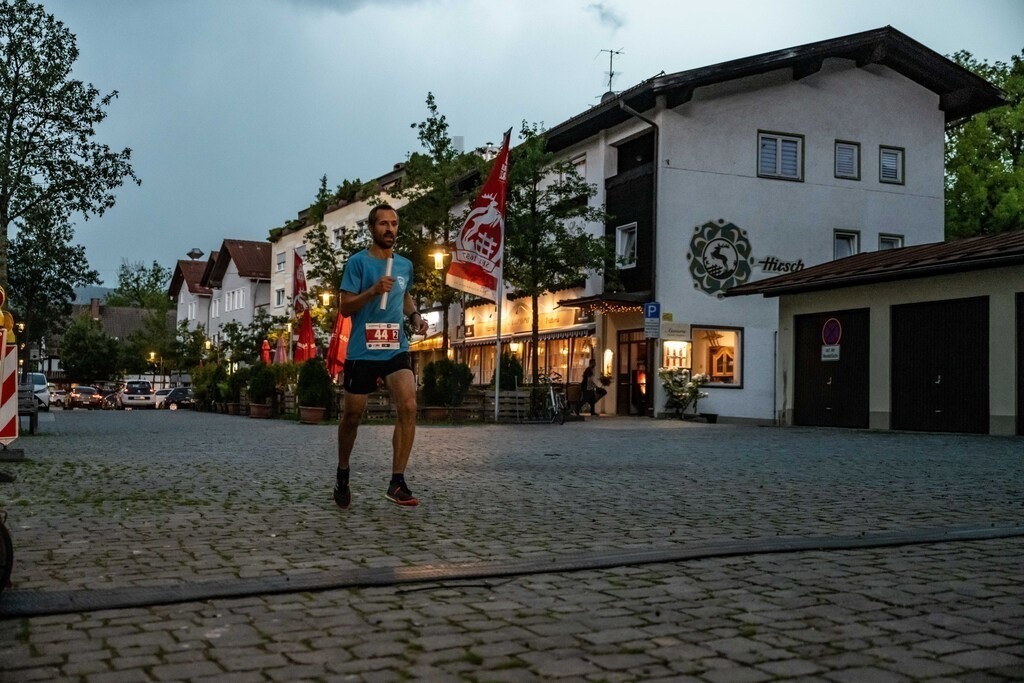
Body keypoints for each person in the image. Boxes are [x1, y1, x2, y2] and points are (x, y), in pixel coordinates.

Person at [333, 204, 429, 508]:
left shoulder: (404, 266)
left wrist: (414, 316)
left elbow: (404, 294)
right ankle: (343, 472)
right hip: (363, 349)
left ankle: (397, 482)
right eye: (383, 224)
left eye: (394, 224)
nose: (390, 229)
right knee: (353, 415)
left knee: (409, 405)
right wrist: (373, 291)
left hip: (395, 347)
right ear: (372, 229)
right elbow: (345, 307)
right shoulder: (357, 264)